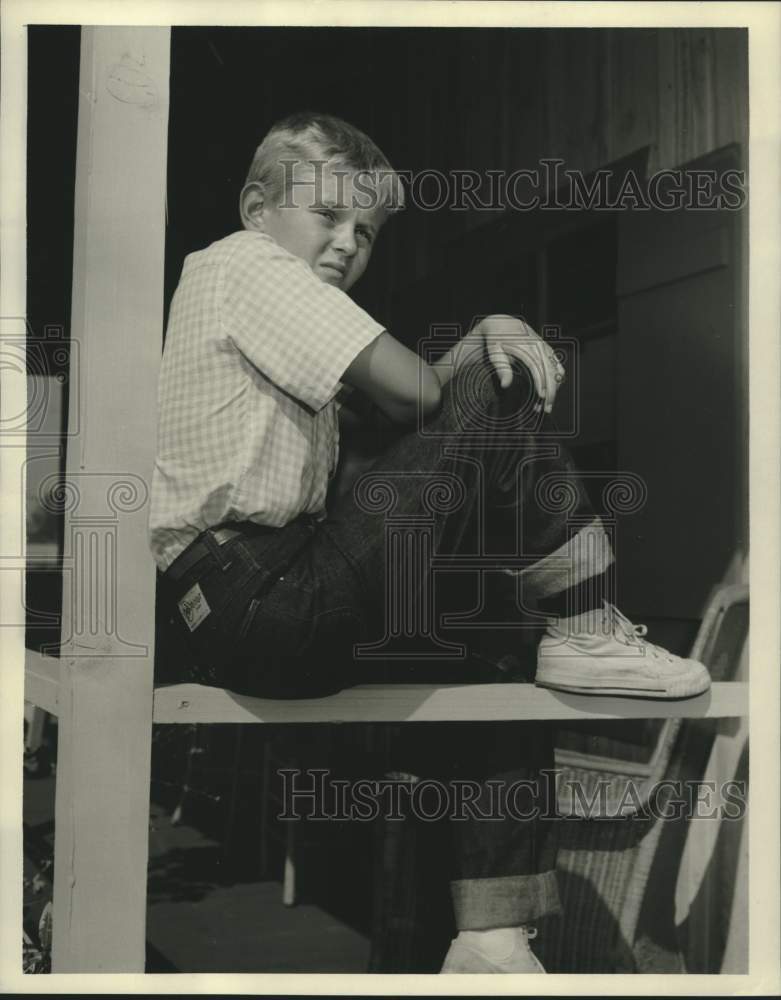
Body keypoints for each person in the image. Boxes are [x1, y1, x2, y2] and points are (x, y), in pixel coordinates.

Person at [149, 111, 710, 973]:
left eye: (365, 232)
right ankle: (588, 625)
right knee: (499, 380)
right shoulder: (244, 263)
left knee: (491, 664)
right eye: (327, 214)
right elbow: (415, 396)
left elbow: (404, 425)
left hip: (248, 606)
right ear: (255, 206)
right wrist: (481, 338)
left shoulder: (258, 306)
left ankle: (490, 934)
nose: (346, 243)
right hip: (254, 592)